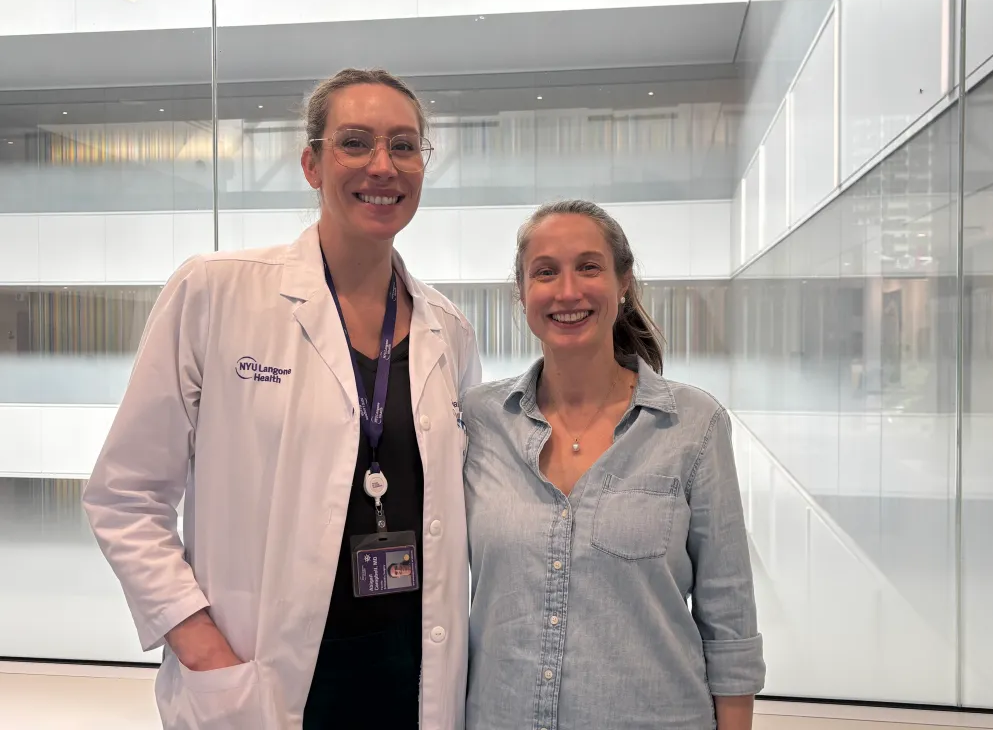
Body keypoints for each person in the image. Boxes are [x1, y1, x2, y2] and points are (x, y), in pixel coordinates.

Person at [82, 68, 481, 730]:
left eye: (404, 146)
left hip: (409, 680)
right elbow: (125, 495)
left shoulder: (450, 330)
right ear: (311, 163)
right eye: (356, 143)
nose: (382, 166)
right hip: (260, 681)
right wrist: (199, 645)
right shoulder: (216, 292)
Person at [461, 199, 765, 730]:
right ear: (523, 292)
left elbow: (729, 619)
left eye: (589, 267)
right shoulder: (479, 422)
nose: (568, 291)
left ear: (624, 283)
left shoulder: (694, 426)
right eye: (546, 272)